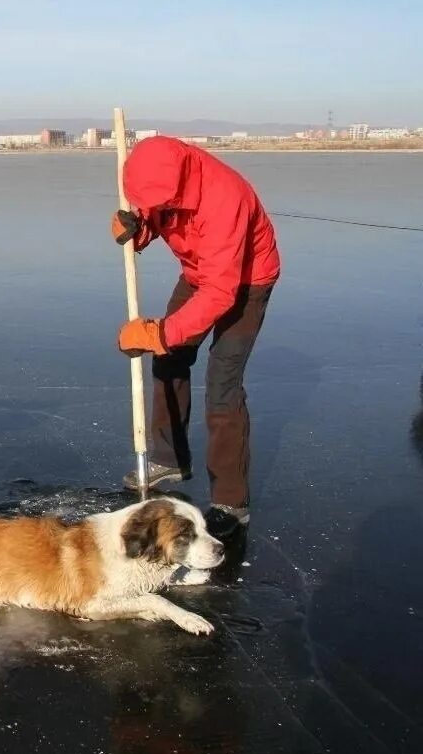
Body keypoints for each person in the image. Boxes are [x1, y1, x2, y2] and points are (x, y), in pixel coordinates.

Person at [110, 136, 280, 538]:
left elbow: (222, 292)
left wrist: (161, 332)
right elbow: (162, 218)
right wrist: (138, 230)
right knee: (168, 360)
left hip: (248, 281)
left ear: (182, 179)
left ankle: (231, 501)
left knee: (223, 384)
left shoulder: (225, 197)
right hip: (199, 272)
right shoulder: (161, 177)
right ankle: (171, 458)